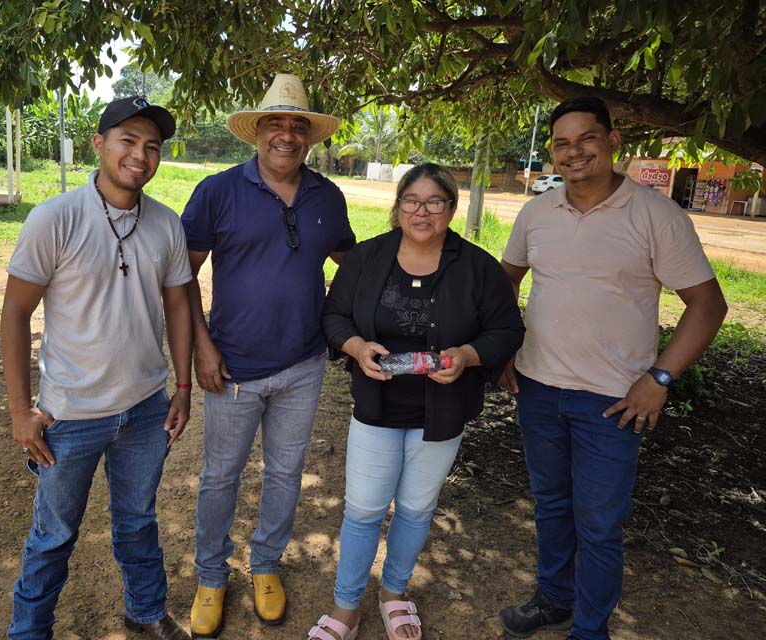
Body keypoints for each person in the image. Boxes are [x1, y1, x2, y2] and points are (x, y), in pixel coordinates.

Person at [497, 96, 728, 640]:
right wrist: (506, 350)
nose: (574, 152)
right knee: (551, 505)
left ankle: (591, 630)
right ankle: (554, 598)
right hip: (537, 387)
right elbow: (507, 280)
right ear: (552, 152)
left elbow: (708, 304)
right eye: (561, 143)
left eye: (586, 139)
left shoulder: (656, 214)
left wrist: (660, 378)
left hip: (613, 401)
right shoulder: (537, 213)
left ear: (612, 141)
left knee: (599, 526)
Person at [305, 163, 525, 640]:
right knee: (363, 510)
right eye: (411, 201)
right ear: (398, 205)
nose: (421, 211)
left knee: (416, 509)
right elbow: (335, 314)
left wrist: (467, 356)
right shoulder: (366, 258)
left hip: (442, 409)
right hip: (377, 406)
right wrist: (356, 347)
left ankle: (394, 594)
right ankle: (346, 607)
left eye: (434, 202)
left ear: (451, 208)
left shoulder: (477, 267)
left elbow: (507, 329)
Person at [1, 96, 194, 640]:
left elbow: (179, 304)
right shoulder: (55, 218)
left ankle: (146, 614)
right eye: (128, 141)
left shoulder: (165, 225)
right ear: (99, 144)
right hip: (70, 415)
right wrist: (21, 409)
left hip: (145, 409)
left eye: (151, 146)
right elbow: (15, 314)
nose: (140, 155)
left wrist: (182, 386)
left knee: (138, 523)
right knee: (54, 535)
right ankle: (29, 631)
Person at [181, 73, 356, 637]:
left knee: (285, 473)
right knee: (220, 477)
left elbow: (349, 265)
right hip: (231, 367)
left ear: (309, 138)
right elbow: (182, 275)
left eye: (297, 126)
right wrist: (201, 347)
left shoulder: (328, 197)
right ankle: (211, 574)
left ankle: (266, 565)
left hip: (303, 367)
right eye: (275, 124)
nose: (286, 135)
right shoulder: (218, 191)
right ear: (257, 132)